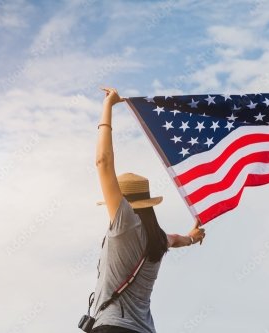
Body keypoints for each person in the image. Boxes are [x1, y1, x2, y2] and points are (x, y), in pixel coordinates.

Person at [90, 87, 206, 333]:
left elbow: (103, 163)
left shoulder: (124, 224)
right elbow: (174, 239)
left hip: (113, 327)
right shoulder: (157, 239)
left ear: (124, 203)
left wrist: (107, 108)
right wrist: (191, 238)